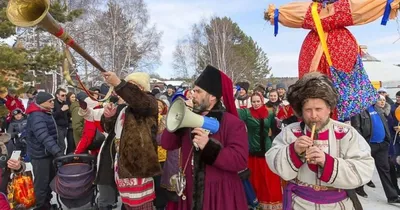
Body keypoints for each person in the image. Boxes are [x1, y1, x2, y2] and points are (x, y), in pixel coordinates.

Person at [264, 0, 397, 121]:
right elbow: (361, 8)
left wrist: (276, 14)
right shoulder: (337, 9)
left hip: (327, 53)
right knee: (324, 92)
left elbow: (361, 8)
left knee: (320, 90)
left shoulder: (317, 11)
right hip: (325, 53)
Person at [265, 72, 375, 210]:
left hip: (338, 205)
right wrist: (293, 150)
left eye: (318, 109)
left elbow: (365, 168)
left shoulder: (347, 133)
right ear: (301, 111)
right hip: (299, 204)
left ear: (329, 109)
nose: (313, 115)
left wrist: (327, 162)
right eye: (308, 110)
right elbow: (272, 159)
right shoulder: (291, 132)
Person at [161, 65, 248, 210]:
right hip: (189, 192)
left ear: (212, 96)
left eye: (198, 91)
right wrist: (176, 118)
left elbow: (240, 160)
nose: (192, 95)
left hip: (220, 195)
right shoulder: (188, 118)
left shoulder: (232, 123)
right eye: (193, 91)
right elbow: (167, 144)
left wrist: (209, 147)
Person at [102, 71, 161, 210]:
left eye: (132, 86)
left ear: (141, 89)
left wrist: (118, 83)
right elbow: (109, 130)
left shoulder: (150, 102)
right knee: (127, 203)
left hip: (139, 167)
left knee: (141, 205)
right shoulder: (124, 109)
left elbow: (139, 101)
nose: (127, 90)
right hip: (123, 166)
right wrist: (109, 117)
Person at [351, 95, 400, 203]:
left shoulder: (378, 108)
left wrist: (387, 140)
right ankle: (359, 188)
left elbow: (384, 124)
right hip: (369, 146)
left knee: (385, 170)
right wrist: (363, 145)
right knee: (364, 168)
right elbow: (356, 129)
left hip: (382, 145)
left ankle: (392, 197)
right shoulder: (358, 111)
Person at [238, 92, 282, 209]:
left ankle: (269, 203)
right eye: (253, 101)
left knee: (268, 180)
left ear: (262, 101)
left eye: (258, 101)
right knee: (254, 179)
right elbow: (231, 112)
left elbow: (274, 129)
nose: (256, 104)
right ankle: (254, 203)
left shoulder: (270, 112)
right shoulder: (246, 113)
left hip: (267, 150)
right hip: (253, 150)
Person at [26, 92, 63, 210]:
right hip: (40, 156)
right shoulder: (37, 116)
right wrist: (57, 151)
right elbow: (44, 136)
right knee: (41, 184)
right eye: (50, 101)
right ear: (42, 103)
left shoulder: (44, 113)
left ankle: (46, 204)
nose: (53, 103)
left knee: (48, 182)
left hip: (47, 153)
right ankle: (41, 206)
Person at [53, 88, 69, 154]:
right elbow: (52, 116)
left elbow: (67, 114)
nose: (64, 97)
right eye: (62, 95)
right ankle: (60, 161)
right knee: (62, 145)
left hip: (65, 126)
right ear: (57, 95)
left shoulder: (65, 102)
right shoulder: (53, 103)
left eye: (65, 95)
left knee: (63, 144)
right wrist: (61, 110)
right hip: (57, 126)